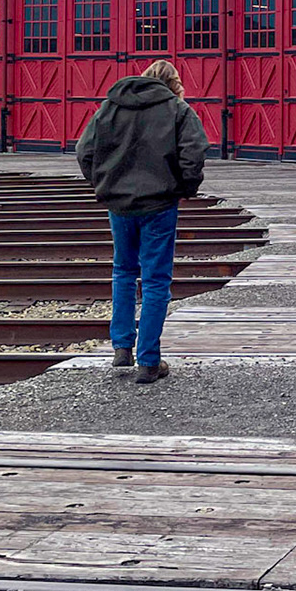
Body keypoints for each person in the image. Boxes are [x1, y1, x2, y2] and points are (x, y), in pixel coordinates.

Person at [75, 59, 209, 383]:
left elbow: (84, 151)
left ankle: (122, 347)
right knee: (155, 281)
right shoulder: (177, 110)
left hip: (119, 205)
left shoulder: (111, 106)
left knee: (123, 271)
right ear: (173, 82)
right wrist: (183, 188)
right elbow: (195, 153)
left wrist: (104, 185)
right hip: (160, 205)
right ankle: (148, 361)